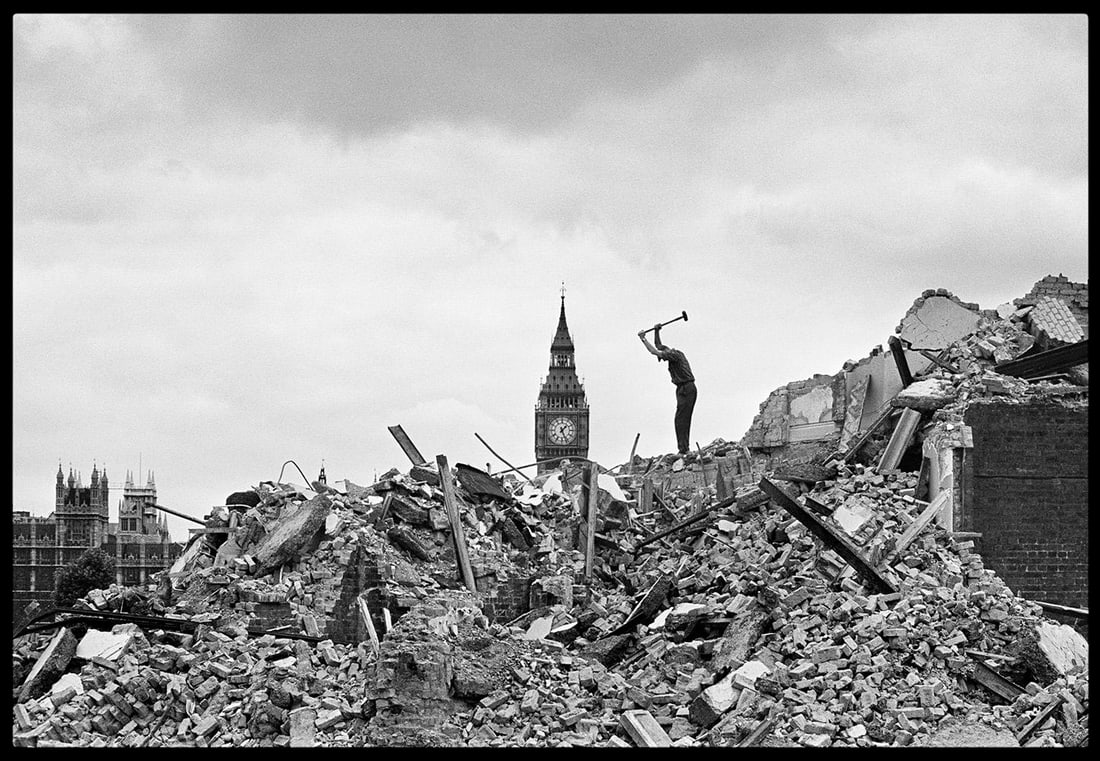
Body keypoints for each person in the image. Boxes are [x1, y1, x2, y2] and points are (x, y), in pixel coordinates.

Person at [638, 323, 697, 456]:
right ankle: (683, 448)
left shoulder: (674, 355)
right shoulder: (672, 354)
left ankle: (684, 449)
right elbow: (658, 347)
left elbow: (654, 351)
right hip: (681, 389)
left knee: (682, 419)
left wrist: (643, 339)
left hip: (687, 388)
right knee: (679, 419)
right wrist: (656, 332)